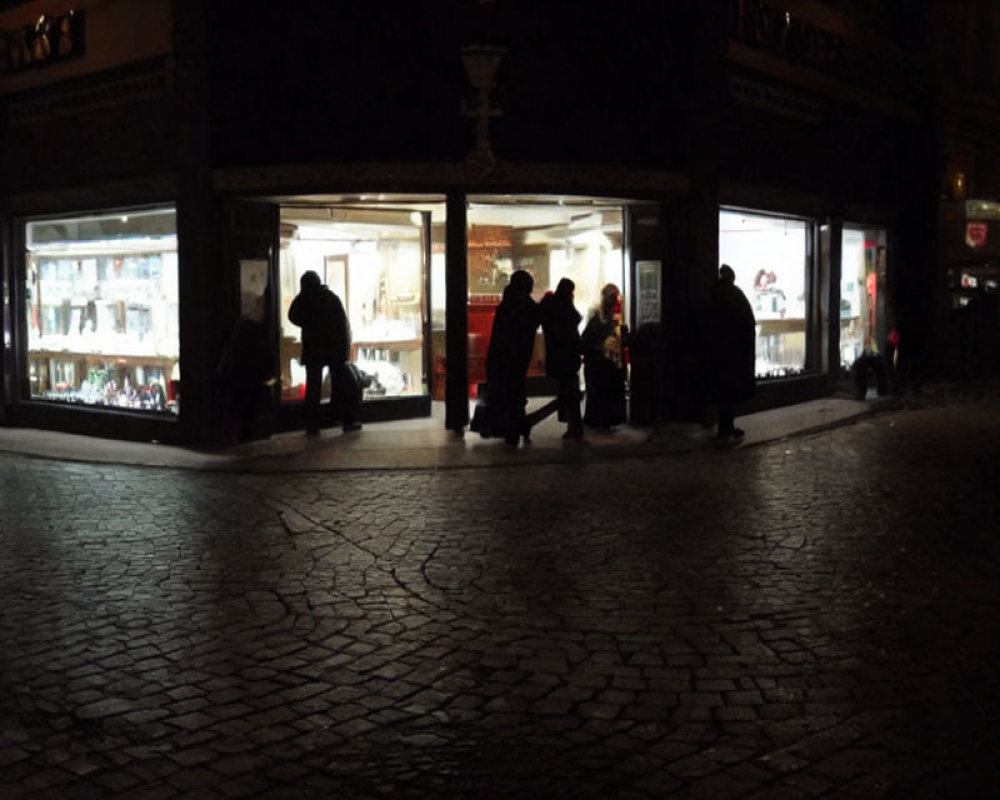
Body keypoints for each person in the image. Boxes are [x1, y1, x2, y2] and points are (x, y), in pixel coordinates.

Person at [288, 270, 361, 436]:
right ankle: (343, 419)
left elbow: (292, 315)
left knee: (313, 388)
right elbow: (343, 325)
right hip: (334, 349)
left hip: (314, 350)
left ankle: (312, 425)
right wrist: (344, 351)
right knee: (339, 385)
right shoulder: (331, 298)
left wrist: (306, 320)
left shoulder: (305, 299)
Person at [485, 269, 540, 446]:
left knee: (504, 394)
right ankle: (517, 427)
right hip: (518, 358)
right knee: (516, 392)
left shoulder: (506, 305)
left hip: (500, 358)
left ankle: (508, 429)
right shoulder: (527, 306)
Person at [706, 264, 756, 441]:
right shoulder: (735, 294)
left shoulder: (714, 294)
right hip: (733, 354)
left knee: (722, 394)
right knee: (729, 395)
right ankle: (726, 429)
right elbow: (747, 325)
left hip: (718, 354)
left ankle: (724, 429)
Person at [539, 277, 584, 439]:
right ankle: (575, 426)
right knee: (571, 393)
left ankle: (574, 426)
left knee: (568, 393)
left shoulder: (550, 305)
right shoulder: (564, 307)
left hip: (557, 356)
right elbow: (575, 322)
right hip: (568, 357)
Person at [581, 283, 628, 431]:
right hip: (600, 363)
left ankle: (605, 420)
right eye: (612, 298)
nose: (615, 301)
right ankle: (602, 421)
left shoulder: (612, 318)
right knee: (602, 393)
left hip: (607, 362)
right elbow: (588, 340)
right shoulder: (598, 318)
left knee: (608, 393)